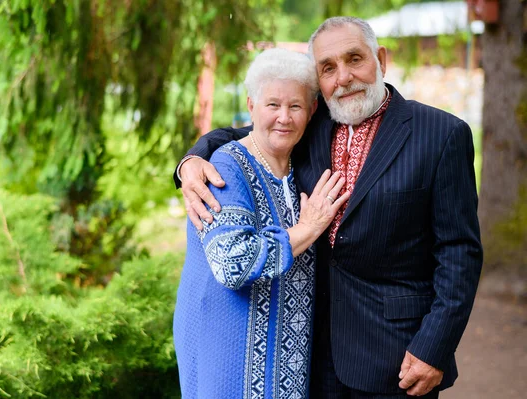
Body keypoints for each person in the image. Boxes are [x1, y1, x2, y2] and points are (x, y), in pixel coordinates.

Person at [174, 17, 483, 399]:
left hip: (396, 356)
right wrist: (190, 161)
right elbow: (252, 132)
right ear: (319, 82)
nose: (344, 77)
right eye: (328, 68)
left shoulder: (441, 134)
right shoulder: (312, 122)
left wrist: (434, 346)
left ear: (380, 60)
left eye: (355, 59)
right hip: (312, 357)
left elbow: (459, 253)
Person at [173, 48, 351, 399]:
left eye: (295, 106)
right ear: (251, 105)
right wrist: (308, 229)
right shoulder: (224, 168)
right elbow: (232, 264)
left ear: (312, 111)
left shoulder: (299, 166)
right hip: (227, 352)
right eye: (272, 105)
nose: (284, 117)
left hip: (287, 362)